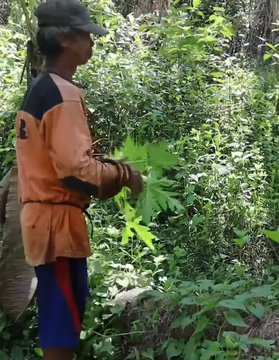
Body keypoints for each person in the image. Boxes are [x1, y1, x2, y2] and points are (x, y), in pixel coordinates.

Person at [14, 0, 144, 359]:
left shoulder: (42, 87)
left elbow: (49, 160)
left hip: (45, 223)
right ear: (66, 40)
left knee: (62, 314)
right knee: (62, 319)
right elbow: (75, 172)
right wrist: (124, 175)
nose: (93, 41)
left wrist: (108, 165)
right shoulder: (62, 94)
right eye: (87, 35)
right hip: (56, 226)